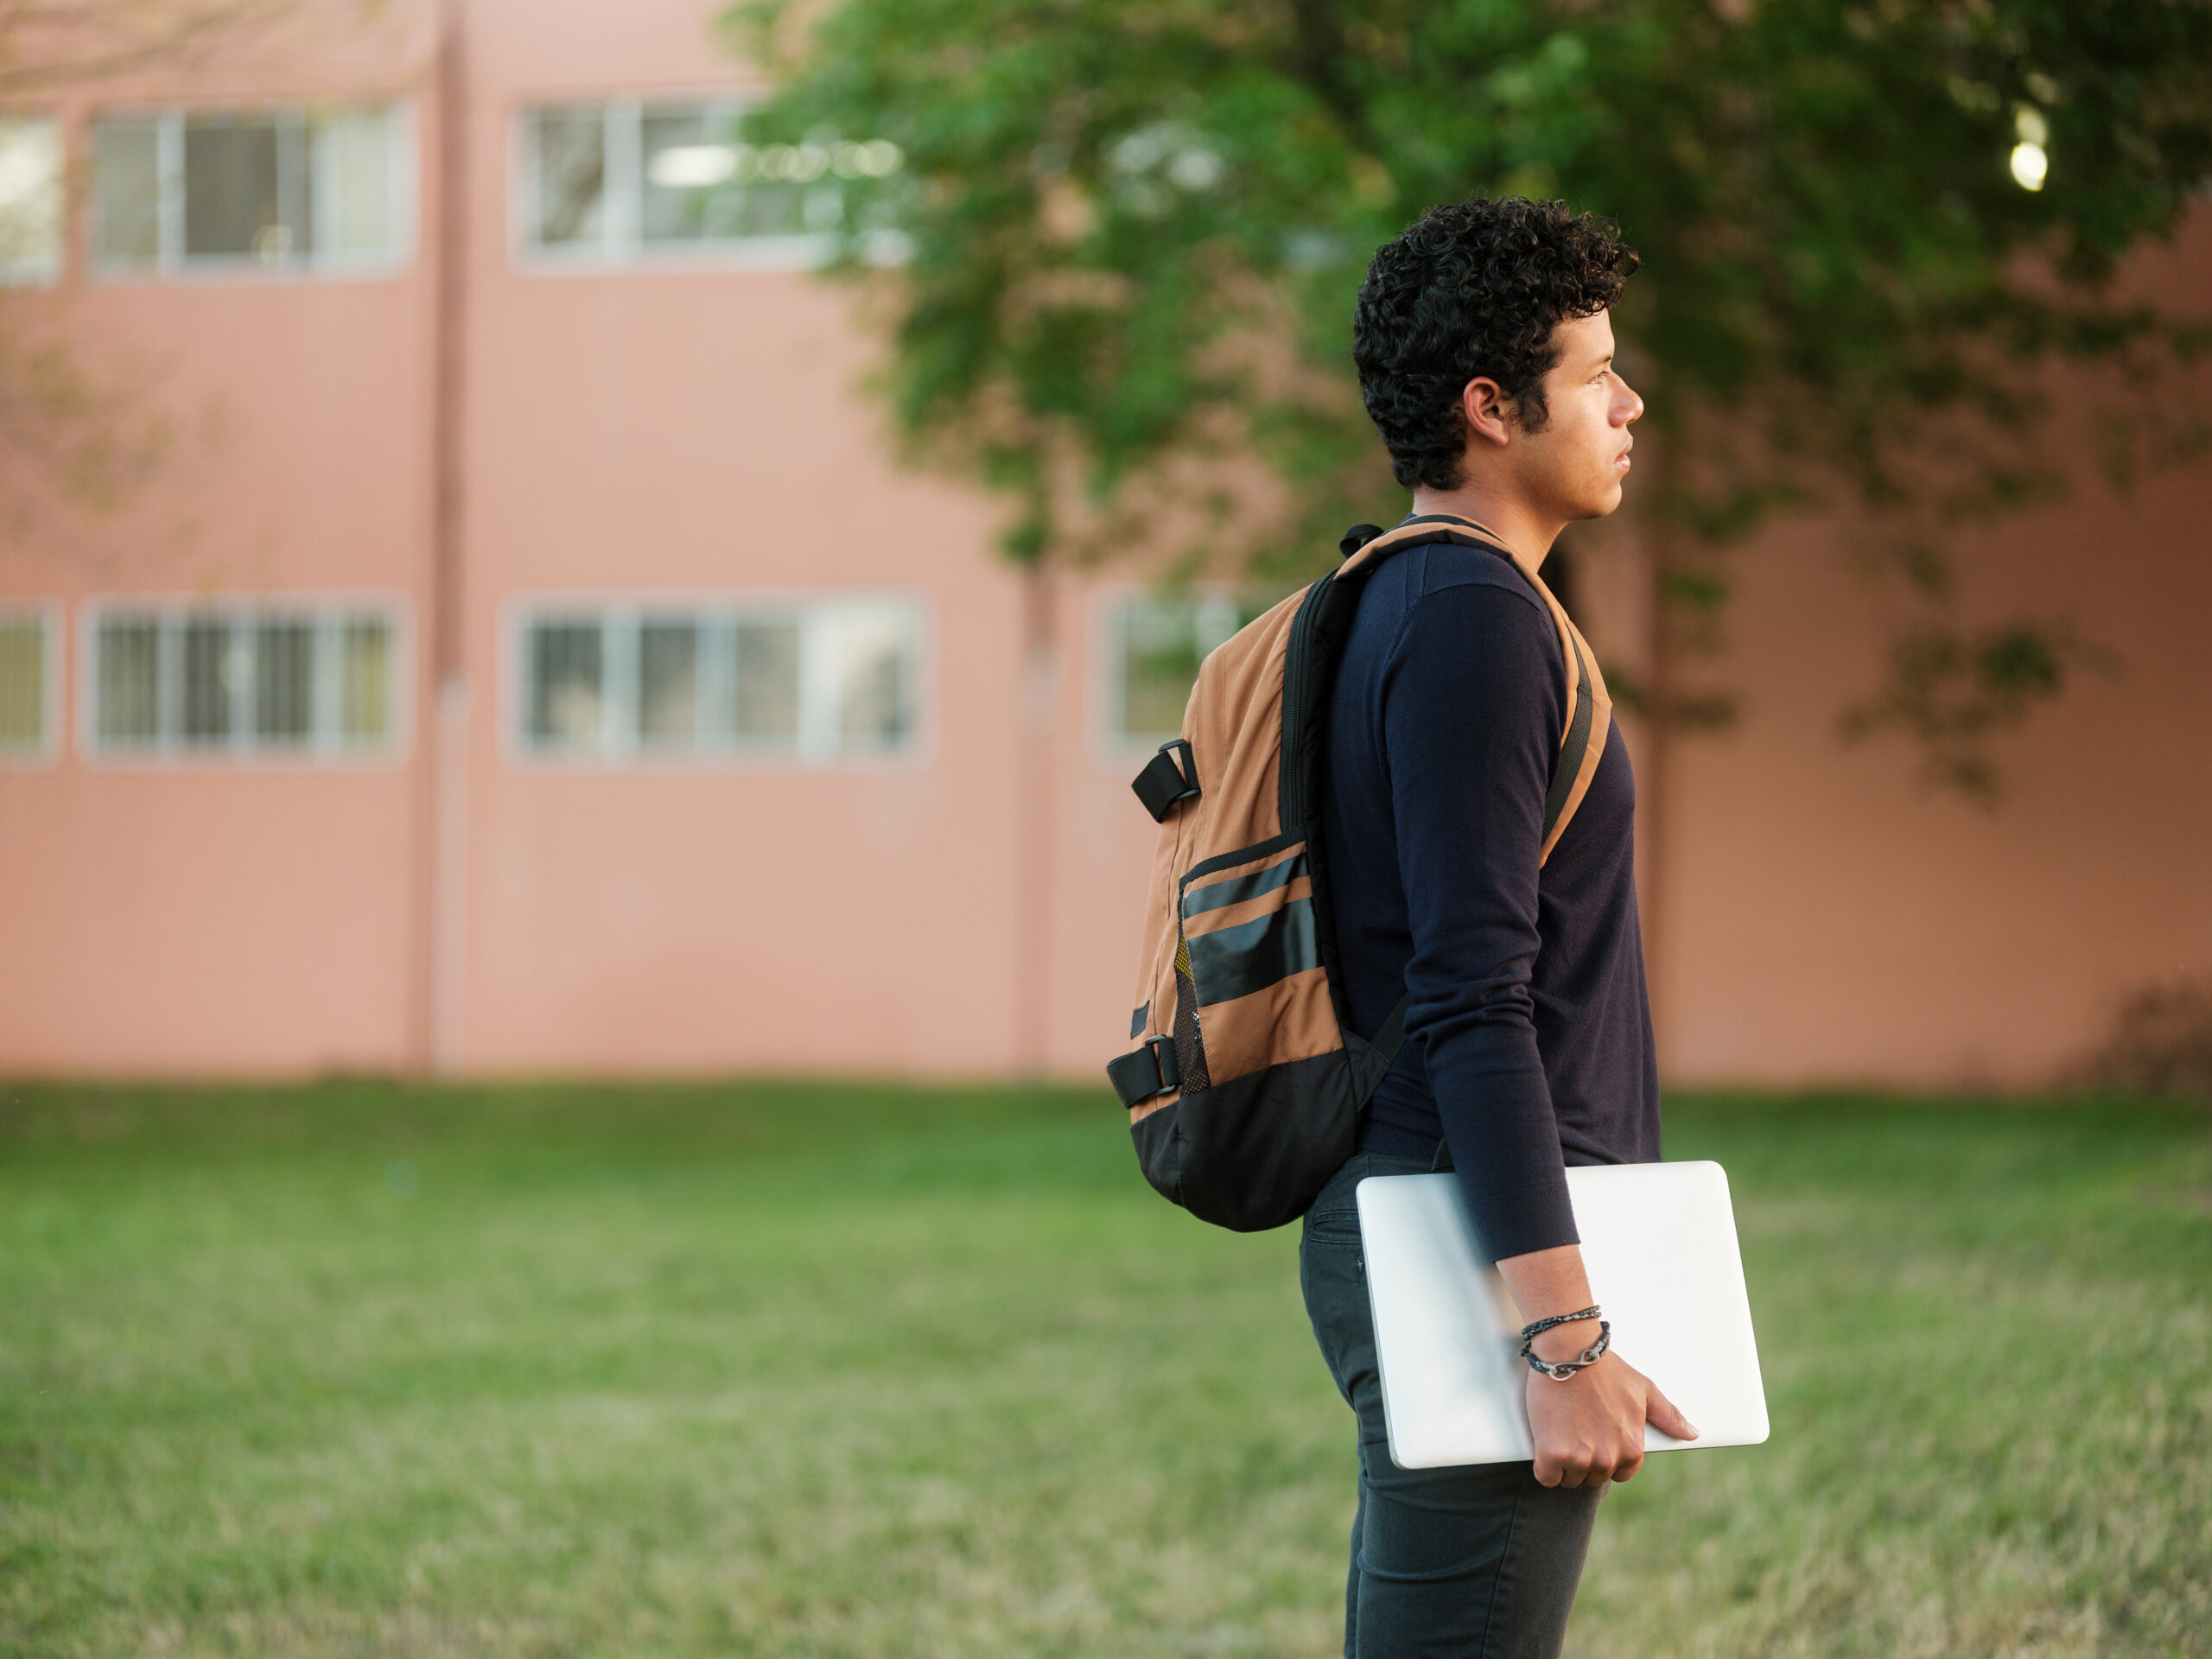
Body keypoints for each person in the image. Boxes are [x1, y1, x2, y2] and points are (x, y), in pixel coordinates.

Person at [1300, 196, 1697, 1659]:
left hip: (1451, 1221)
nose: (1628, 401)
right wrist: (1561, 1336)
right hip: (1475, 1246)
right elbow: (1476, 999)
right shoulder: (1473, 619)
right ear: (1491, 407)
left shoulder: (1402, 598)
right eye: (1597, 375)